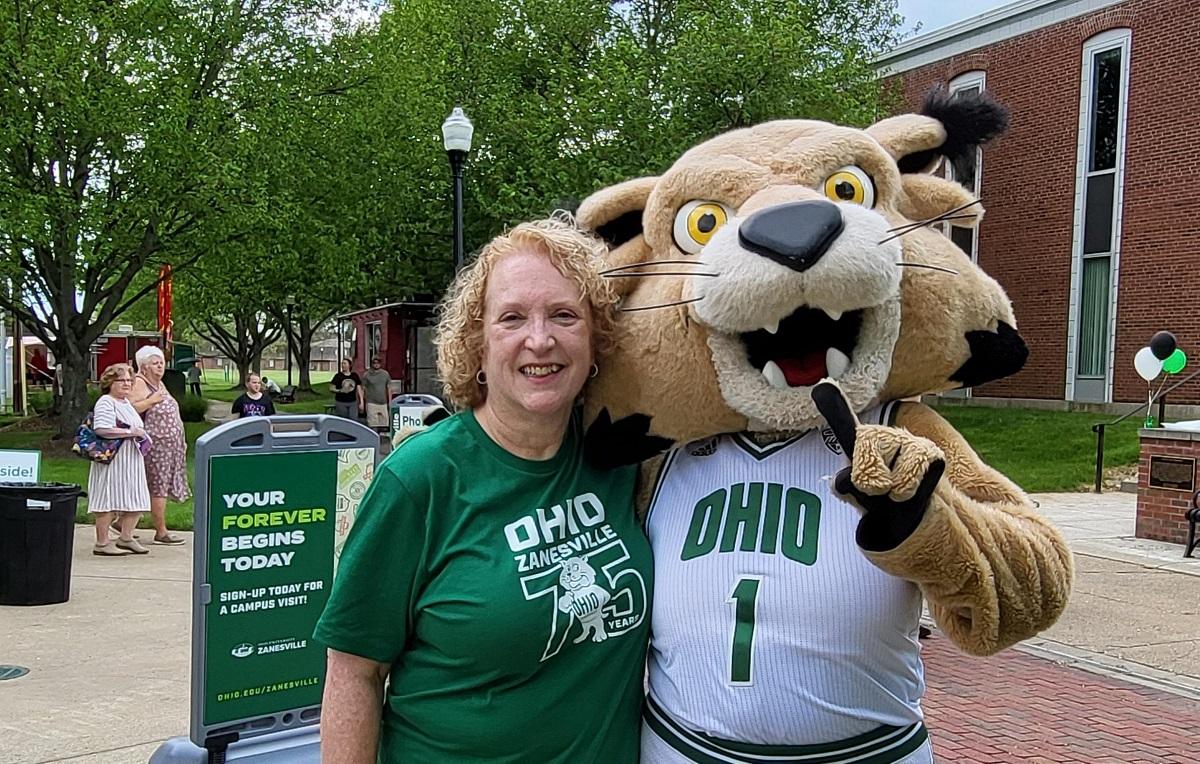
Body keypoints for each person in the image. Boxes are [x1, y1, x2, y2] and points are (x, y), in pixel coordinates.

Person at [315, 218, 651, 763]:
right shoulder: (420, 477)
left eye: (564, 316)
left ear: (597, 340)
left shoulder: (618, 458)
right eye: (512, 318)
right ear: (477, 345)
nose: (539, 339)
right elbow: (354, 671)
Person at [88, 364, 152, 556]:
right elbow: (102, 429)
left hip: (131, 459)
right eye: (121, 380)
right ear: (110, 382)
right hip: (112, 460)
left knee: (136, 497)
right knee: (107, 499)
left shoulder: (126, 403)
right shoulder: (106, 402)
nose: (126, 384)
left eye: (129, 380)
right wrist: (130, 432)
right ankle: (102, 542)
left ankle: (126, 537)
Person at [130, 346, 189, 545]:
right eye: (155, 363)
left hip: (170, 446)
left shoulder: (158, 383)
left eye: (161, 362)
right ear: (143, 367)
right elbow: (130, 408)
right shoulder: (140, 383)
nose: (160, 366)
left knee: (153, 486)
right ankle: (161, 532)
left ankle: (122, 524)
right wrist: (151, 400)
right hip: (155, 447)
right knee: (158, 488)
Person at [360, 356, 391, 432]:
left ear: (380, 364)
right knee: (372, 425)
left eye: (378, 363)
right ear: (372, 364)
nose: (376, 364)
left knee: (384, 424)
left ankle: (383, 441)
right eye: (374, 363)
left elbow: (389, 388)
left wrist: (390, 401)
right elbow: (362, 389)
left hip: (383, 403)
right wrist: (362, 402)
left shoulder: (385, 374)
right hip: (371, 402)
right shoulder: (366, 375)